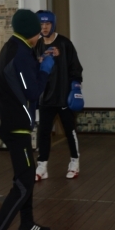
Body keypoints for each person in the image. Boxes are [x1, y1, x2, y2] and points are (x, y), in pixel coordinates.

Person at [0, 10, 54, 230]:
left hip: (13, 122)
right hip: (15, 126)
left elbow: (23, 79)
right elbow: (33, 90)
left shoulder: (15, 47)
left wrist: (40, 61)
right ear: (32, 32)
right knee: (24, 182)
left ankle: (27, 223)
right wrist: (45, 69)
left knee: (26, 174)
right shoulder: (20, 53)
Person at [34, 10, 84, 181]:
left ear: (53, 24)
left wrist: (75, 87)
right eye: (41, 24)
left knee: (70, 131)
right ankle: (42, 166)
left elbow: (76, 67)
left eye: (47, 24)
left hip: (63, 96)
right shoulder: (37, 45)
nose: (45, 27)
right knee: (43, 132)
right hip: (45, 97)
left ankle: (74, 163)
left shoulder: (64, 43)